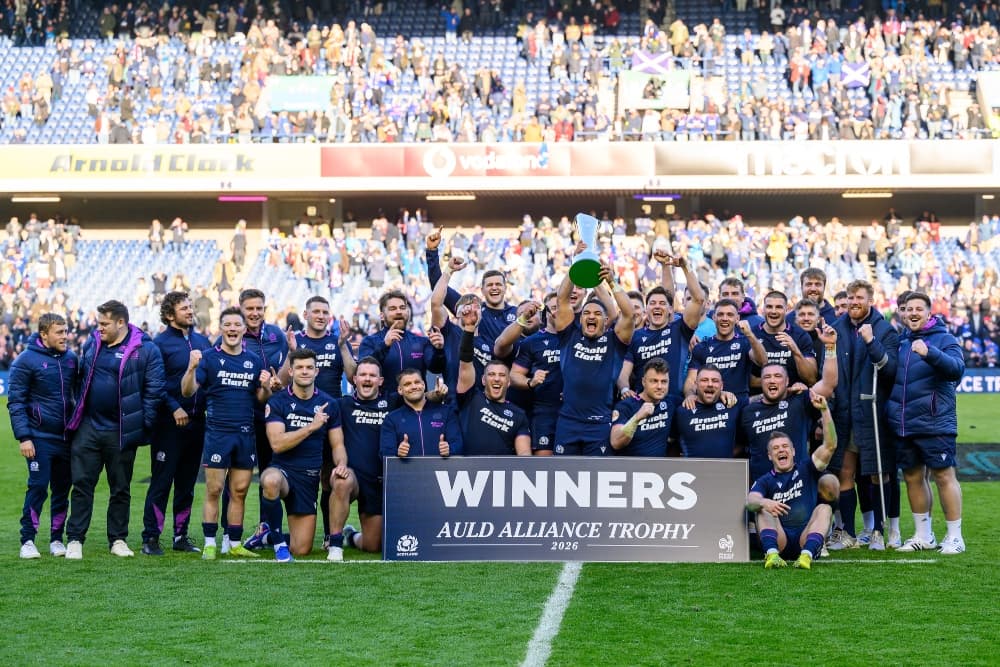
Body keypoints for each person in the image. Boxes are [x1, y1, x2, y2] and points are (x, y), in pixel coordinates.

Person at [64, 300, 165, 560]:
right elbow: (81, 380)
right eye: (99, 323)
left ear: (121, 322)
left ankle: (118, 539)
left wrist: (140, 426)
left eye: (104, 323)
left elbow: (154, 391)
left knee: (120, 488)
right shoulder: (93, 343)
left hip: (121, 431)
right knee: (82, 485)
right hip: (88, 427)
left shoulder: (146, 350)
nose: (99, 328)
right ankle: (75, 539)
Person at [183, 306, 272, 559]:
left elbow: (261, 399)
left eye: (237, 325)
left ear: (244, 329)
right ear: (221, 328)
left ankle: (234, 543)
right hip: (218, 433)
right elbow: (187, 391)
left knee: (240, 491)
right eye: (228, 324)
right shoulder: (208, 358)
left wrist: (266, 387)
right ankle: (210, 543)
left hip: (245, 434)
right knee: (214, 489)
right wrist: (191, 368)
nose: (232, 329)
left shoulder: (254, 361)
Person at [887, 292, 966, 554]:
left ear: (929, 313)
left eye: (918, 309)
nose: (913, 313)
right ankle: (924, 535)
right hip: (904, 423)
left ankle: (955, 537)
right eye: (908, 309)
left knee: (944, 475)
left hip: (935, 422)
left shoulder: (944, 339)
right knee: (912, 477)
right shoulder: (901, 341)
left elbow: (957, 369)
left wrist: (930, 352)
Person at [828, 280, 901, 552]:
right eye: (850, 297)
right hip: (845, 414)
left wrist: (871, 341)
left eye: (859, 297)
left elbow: (890, 371)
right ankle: (847, 532)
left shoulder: (885, 330)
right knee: (844, 471)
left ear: (870, 300)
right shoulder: (836, 329)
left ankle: (879, 531)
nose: (853, 302)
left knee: (877, 473)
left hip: (873, 413)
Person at [281, 295, 357, 544]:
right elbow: (281, 381)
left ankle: (328, 534)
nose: (321, 316)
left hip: (330, 419)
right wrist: (290, 352)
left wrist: (344, 345)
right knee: (300, 475)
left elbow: (353, 377)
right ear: (306, 315)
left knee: (328, 477)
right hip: (298, 417)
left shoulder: (337, 341)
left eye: (325, 312)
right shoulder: (295, 341)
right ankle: (281, 532)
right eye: (316, 311)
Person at [261, 347, 347, 562]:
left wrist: (341, 464)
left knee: (301, 549)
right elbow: (277, 444)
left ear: (317, 371)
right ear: (291, 371)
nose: (305, 371)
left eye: (309, 367)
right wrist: (311, 427)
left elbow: (337, 445)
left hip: (308, 477)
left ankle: (265, 537)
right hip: (282, 471)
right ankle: (279, 544)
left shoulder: (329, 404)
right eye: (299, 367)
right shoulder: (277, 401)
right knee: (270, 480)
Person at [142, 291, 211, 555]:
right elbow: (154, 384)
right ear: (170, 314)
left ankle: (180, 536)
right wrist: (174, 408)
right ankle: (151, 537)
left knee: (187, 484)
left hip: (197, 424)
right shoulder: (158, 344)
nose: (190, 311)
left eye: (191, 307)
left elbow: (208, 378)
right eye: (184, 308)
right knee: (161, 482)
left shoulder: (202, 341)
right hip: (168, 425)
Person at [8, 313, 77, 559]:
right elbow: (16, 402)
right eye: (59, 332)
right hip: (38, 437)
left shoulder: (72, 359)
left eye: (66, 331)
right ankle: (27, 540)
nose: (65, 336)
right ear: (44, 334)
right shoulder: (25, 361)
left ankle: (56, 539)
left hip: (67, 439)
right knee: (38, 487)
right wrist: (24, 437)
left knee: (62, 490)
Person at [746, 393, 840, 570]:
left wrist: (825, 410)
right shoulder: (766, 479)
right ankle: (772, 555)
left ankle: (807, 556)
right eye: (775, 448)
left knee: (824, 508)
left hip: (805, 537)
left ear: (793, 451)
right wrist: (765, 502)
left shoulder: (807, 467)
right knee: (761, 508)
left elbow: (830, 445)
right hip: (780, 539)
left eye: (785, 446)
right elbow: (750, 501)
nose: (781, 450)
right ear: (770, 456)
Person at [552, 260, 635, 456]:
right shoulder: (569, 336)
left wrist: (612, 282)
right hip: (568, 422)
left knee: (597, 473)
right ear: (580, 319)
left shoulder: (614, 341)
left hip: (599, 425)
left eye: (597, 314)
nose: (591, 316)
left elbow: (629, 314)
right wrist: (576, 266)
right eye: (587, 313)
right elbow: (562, 299)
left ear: (606, 321)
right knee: (563, 472)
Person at [740, 339, 838, 484]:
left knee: (829, 483)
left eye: (777, 376)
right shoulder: (748, 411)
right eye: (767, 377)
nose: (772, 380)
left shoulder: (799, 400)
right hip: (763, 486)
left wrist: (830, 347)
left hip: (797, 484)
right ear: (762, 382)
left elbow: (828, 384)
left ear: (787, 382)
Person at [617, 253, 704, 401]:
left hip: (673, 403)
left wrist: (685, 266)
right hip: (643, 405)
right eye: (652, 303)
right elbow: (623, 372)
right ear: (646, 310)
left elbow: (698, 299)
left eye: (662, 303)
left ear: (670, 310)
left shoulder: (679, 330)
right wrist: (625, 388)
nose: (657, 306)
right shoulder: (636, 336)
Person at [455, 304, 531, 455]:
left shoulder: (518, 415)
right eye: (491, 375)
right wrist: (469, 328)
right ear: (483, 380)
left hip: (502, 470)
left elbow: (525, 456)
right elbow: (465, 363)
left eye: (502, 375)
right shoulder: (471, 398)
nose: (496, 379)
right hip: (468, 469)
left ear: (508, 382)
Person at [358, 289, 446, 398]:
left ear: (408, 312)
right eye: (393, 309)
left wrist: (439, 350)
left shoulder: (421, 341)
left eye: (402, 308)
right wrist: (385, 346)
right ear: (382, 316)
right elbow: (363, 371)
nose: (399, 311)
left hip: (415, 405)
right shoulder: (369, 341)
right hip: (382, 405)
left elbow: (436, 368)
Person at [510, 292, 563, 455]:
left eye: (561, 307)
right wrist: (530, 382)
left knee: (573, 463)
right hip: (544, 412)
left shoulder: (579, 336)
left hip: (573, 411)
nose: (558, 311)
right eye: (554, 307)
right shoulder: (531, 342)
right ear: (546, 312)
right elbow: (514, 375)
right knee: (544, 463)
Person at [685, 298, 766, 401]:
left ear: (737, 318)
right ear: (714, 317)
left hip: (739, 405)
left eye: (730, 315)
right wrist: (690, 395)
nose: (725, 318)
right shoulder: (702, 347)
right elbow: (691, 380)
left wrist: (749, 334)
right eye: (720, 314)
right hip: (711, 405)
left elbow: (762, 361)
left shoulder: (745, 342)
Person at [379, 368, 463, 458]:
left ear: (423, 385)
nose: (414, 387)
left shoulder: (446, 412)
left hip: (441, 467)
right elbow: (385, 453)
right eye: (407, 384)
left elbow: (458, 445)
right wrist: (398, 453)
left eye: (417, 382)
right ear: (400, 390)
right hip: (407, 468)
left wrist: (449, 450)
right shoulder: (391, 419)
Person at [610, 358, 675, 457]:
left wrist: (691, 396)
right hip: (631, 465)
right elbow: (615, 442)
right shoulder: (627, 405)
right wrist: (636, 418)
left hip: (659, 466)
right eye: (654, 381)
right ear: (644, 382)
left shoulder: (671, 403)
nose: (659, 386)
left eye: (664, 382)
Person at [675, 364, 743, 459]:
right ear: (696, 384)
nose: (710, 384)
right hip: (691, 468)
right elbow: (671, 442)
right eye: (704, 380)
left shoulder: (732, 405)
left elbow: (743, 442)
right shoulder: (682, 411)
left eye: (715, 381)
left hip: (725, 467)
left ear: (721, 385)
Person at [754, 290, 818, 386]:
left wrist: (795, 351)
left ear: (786, 309)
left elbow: (811, 379)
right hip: (759, 394)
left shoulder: (801, 336)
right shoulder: (752, 334)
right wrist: (781, 385)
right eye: (769, 307)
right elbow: (745, 379)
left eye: (779, 307)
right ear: (763, 309)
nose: (773, 311)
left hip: (794, 394)